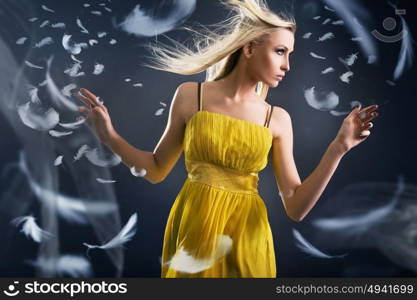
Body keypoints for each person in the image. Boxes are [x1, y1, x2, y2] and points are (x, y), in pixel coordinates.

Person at [74, 0, 379, 278]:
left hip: (248, 237)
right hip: (193, 232)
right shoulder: (190, 96)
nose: (287, 65)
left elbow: (296, 207)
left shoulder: (277, 119)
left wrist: (338, 149)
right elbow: (155, 169)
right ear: (248, 48)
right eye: (280, 51)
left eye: (290, 54)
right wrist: (107, 134)